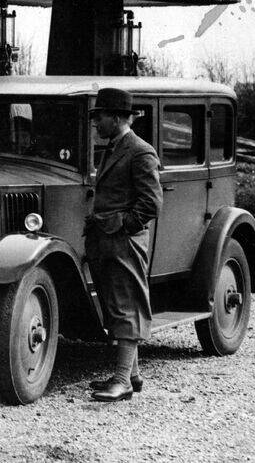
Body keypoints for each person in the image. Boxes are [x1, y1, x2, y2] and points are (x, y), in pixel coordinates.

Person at [84, 87, 163, 402]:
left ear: (115, 117)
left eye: (100, 116)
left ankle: (122, 382)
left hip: (124, 243)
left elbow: (151, 204)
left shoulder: (140, 151)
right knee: (116, 304)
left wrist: (123, 224)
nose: (96, 123)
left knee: (126, 304)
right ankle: (131, 374)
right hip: (107, 241)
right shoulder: (115, 148)